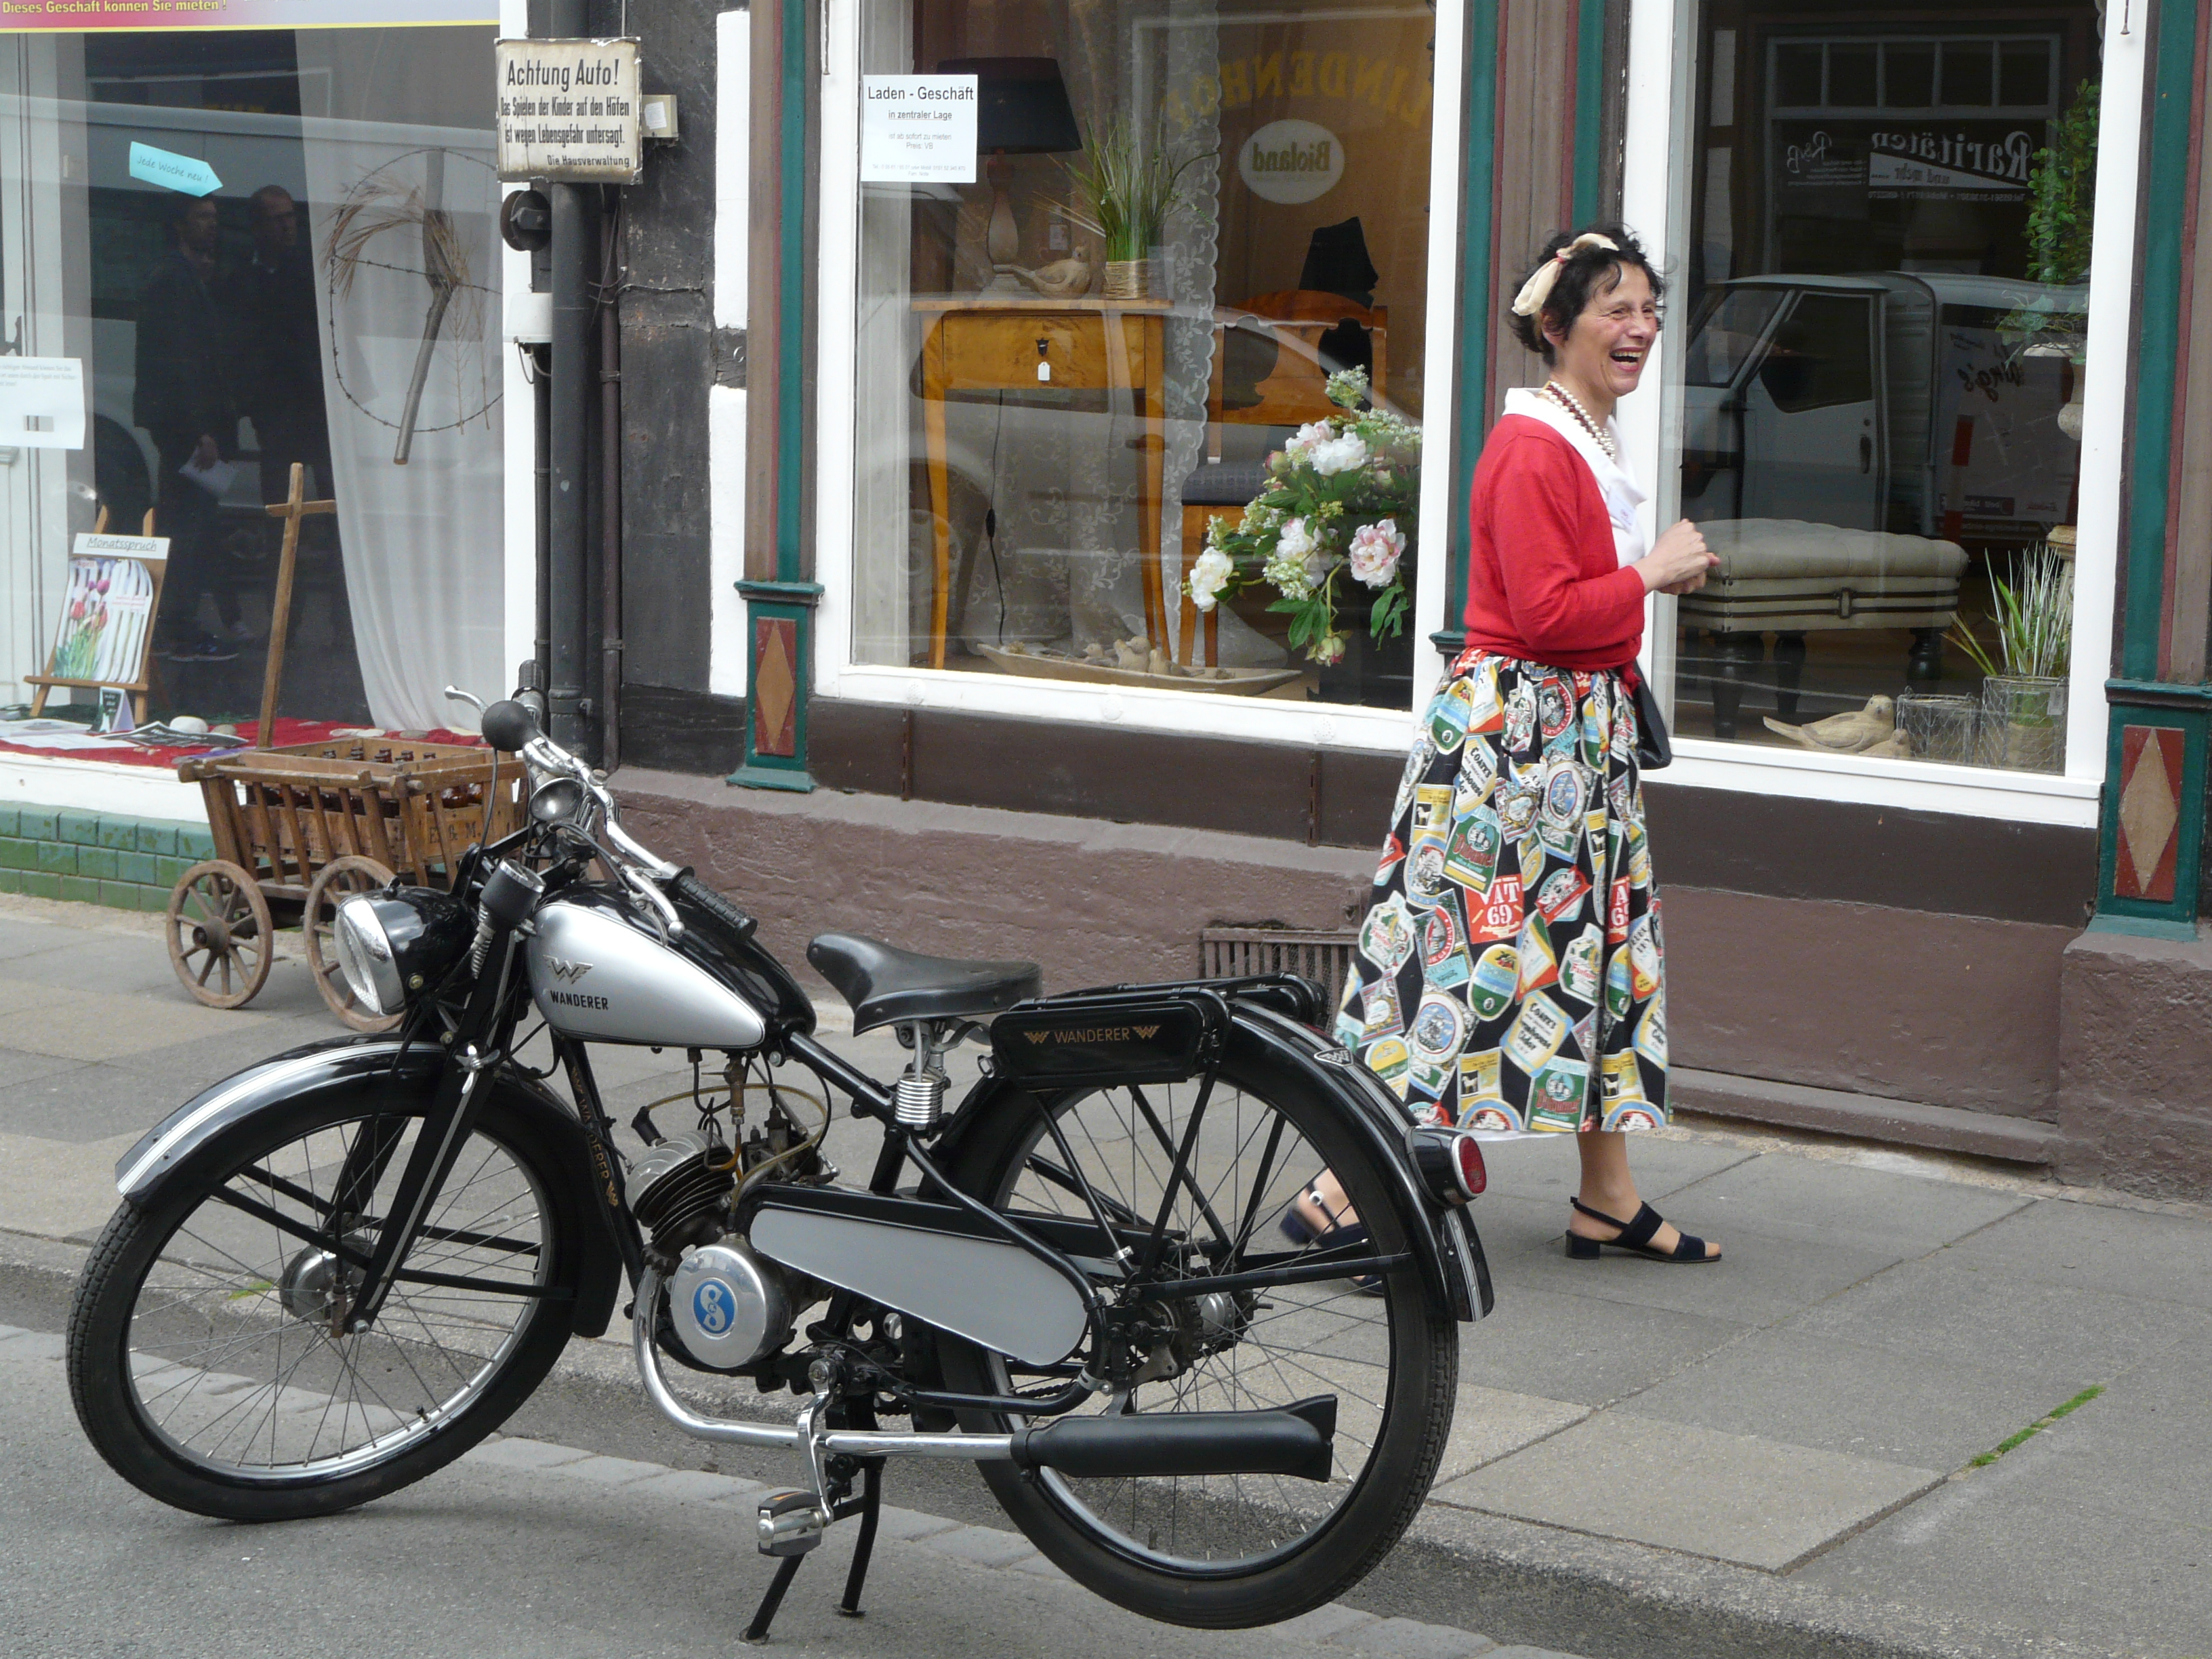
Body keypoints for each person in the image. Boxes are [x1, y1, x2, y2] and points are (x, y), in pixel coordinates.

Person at [1313, 226, 1724, 1265]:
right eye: (1615, 310)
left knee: (1596, 954)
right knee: (1472, 958)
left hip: (1566, 737)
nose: (1640, 328)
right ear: (1555, 326)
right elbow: (1545, 615)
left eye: (1648, 308)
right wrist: (1652, 575)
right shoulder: (1535, 445)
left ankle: (1606, 1193)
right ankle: (1341, 1196)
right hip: (1521, 740)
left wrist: (1635, 585)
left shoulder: (1580, 437)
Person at [136, 194, 241, 661]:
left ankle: (179, 624)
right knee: (186, 529)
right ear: (180, 225)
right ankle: (177, 628)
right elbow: (180, 360)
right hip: (185, 427)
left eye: (215, 218)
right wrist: (200, 428)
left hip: (185, 423)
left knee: (194, 527)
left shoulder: (185, 277)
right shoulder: (172, 280)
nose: (211, 226)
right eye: (202, 217)